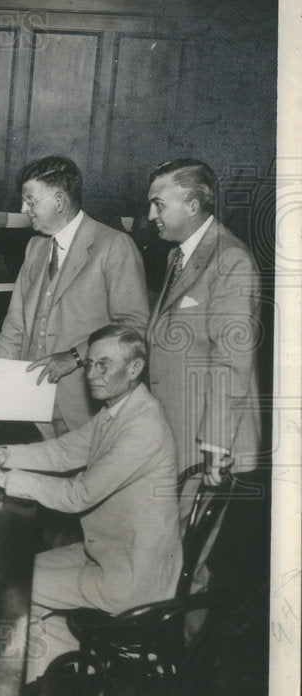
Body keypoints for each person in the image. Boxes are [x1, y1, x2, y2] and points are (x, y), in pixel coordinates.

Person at [0, 324, 181, 686]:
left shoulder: (143, 425)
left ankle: (29, 685)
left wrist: (2, 479)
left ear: (134, 368)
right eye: (90, 364)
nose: (93, 375)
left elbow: (78, 494)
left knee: (11, 585)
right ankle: (58, 661)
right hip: (113, 553)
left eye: (104, 365)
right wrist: (4, 454)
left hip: (130, 578)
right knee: (17, 566)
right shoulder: (120, 409)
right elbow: (65, 450)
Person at [0, 155, 149, 436]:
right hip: (28, 405)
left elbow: (134, 327)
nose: (23, 209)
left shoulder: (114, 245)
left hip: (83, 409)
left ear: (59, 201)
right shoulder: (35, 248)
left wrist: (76, 357)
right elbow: (15, 324)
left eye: (30, 201)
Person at [145, 159, 260, 497]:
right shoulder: (177, 256)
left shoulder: (230, 259)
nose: (151, 215)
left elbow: (232, 361)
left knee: (193, 546)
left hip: (208, 444)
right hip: (178, 430)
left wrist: (215, 445)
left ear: (192, 206)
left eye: (159, 205)